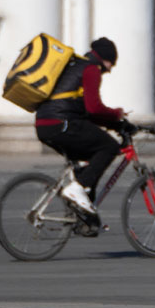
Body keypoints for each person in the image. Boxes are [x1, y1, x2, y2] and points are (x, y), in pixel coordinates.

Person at [35, 37, 126, 215]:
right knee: (109, 147)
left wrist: (113, 124)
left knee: (91, 160)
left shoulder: (76, 65)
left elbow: (85, 111)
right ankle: (77, 189)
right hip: (61, 123)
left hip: (45, 124)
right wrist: (117, 114)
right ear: (105, 59)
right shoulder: (91, 69)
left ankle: (82, 216)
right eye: (111, 64)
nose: (110, 69)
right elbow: (94, 108)